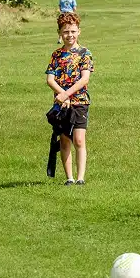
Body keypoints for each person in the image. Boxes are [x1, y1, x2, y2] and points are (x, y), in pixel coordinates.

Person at [46, 12, 94, 185]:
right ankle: (70, 178)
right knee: (65, 140)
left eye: (73, 31)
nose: (70, 35)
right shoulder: (56, 55)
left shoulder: (84, 53)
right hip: (61, 105)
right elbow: (50, 79)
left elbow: (85, 79)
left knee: (79, 139)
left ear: (79, 32)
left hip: (80, 101)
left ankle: (80, 177)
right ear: (60, 33)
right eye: (66, 32)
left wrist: (67, 94)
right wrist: (61, 95)